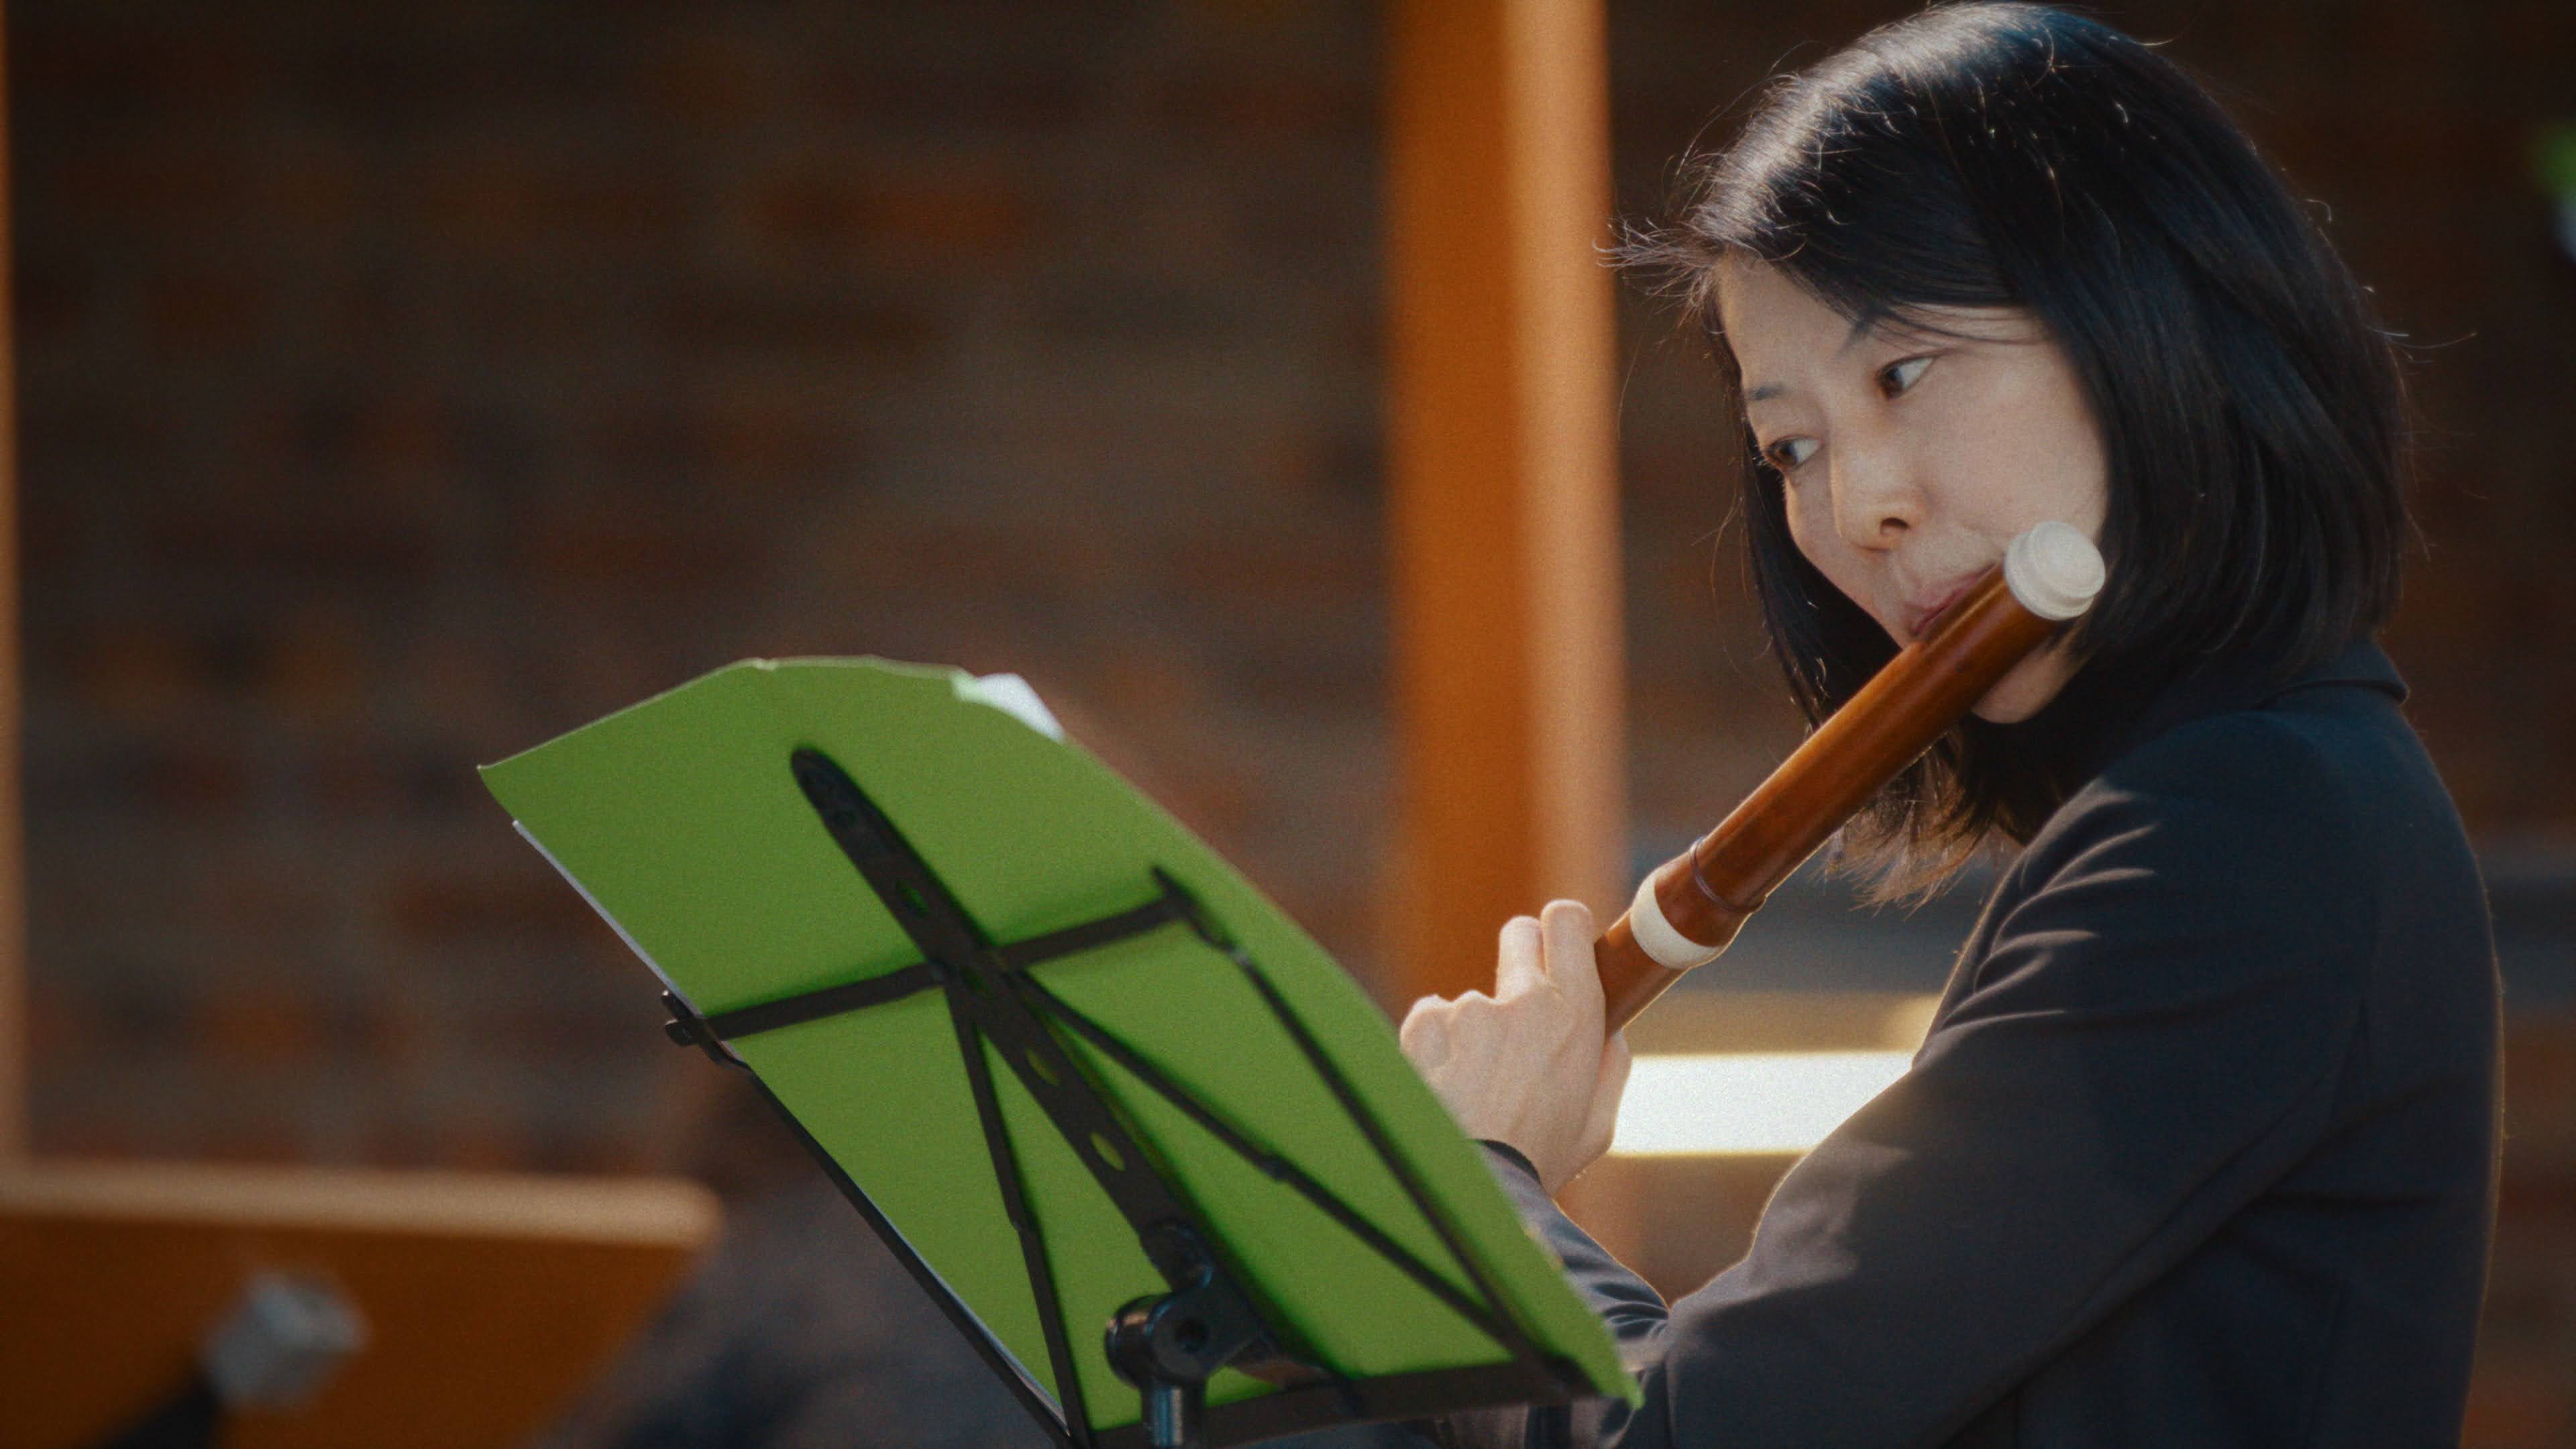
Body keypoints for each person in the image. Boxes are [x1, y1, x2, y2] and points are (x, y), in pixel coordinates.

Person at [1395, 7, 2500, 1446]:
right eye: (1791, 447)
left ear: (2141, 315)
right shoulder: (2264, 796)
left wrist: (1469, 1183)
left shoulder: (2246, 831)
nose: (1857, 506)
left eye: (1902, 375)